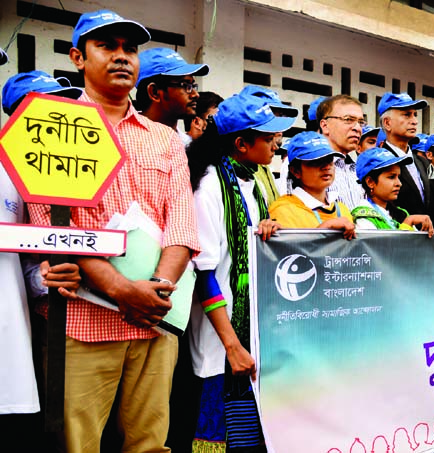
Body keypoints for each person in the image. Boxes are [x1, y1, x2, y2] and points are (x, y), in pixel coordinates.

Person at [27, 10, 200, 452]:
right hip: (81, 321)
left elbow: (181, 223)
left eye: (130, 48)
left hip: (155, 322)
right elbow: (53, 227)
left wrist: (158, 288)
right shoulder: (51, 128)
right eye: (107, 46)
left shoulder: (164, 139)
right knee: (76, 443)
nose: (122, 57)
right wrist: (123, 291)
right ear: (77, 58)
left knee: (149, 444)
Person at [186, 93, 292, 451]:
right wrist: (231, 345)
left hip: (251, 336)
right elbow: (204, 273)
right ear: (241, 144)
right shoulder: (211, 186)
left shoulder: (253, 184)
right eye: (267, 138)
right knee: (216, 437)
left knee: (248, 436)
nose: (275, 143)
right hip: (221, 341)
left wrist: (268, 229)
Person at [0, 71, 84, 453]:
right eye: (50, 105)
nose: (61, 115)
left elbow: (28, 267)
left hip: (13, 349)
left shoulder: (25, 177)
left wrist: (44, 277)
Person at [378, 92, 434, 229]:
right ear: (387, 123)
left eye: (415, 115)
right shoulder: (379, 163)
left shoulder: (425, 164)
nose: (415, 121)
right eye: (406, 115)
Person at [268, 131, 356, 238]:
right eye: (316, 161)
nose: (326, 167)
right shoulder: (283, 211)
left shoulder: (342, 209)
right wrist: (322, 230)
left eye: (329, 160)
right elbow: (289, 252)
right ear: (296, 171)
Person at [350, 147, 434, 234]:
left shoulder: (401, 213)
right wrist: (408, 223)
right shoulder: (362, 218)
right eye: (391, 177)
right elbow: (379, 247)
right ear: (370, 182)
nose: (399, 183)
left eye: (399, 177)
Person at [135, 47, 209, 145]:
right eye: (186, 85)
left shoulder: (186, 145)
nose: (195, 94)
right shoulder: (126, 142)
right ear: (154, 92)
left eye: (193, 86)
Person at [317, 95, 367, 208]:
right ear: (325, 125)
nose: (358, 128)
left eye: (361, 122)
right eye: (348, 120)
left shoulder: (357, 170)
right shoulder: (305, 164)